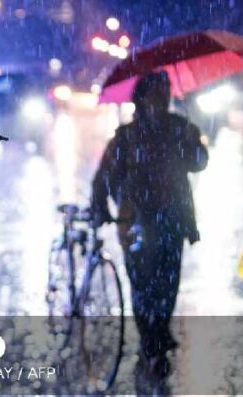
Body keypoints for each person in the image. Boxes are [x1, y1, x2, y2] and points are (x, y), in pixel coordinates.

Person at [91, 71, 208, 376]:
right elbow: (104, 177)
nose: (163, 98)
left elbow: (199, 163)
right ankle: (151, 341)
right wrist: (100, 207)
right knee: (143, 285)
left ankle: (159, 332)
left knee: (168, 284)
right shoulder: (126, 137)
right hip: (136, 224)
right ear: (142, 98)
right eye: (157, 92)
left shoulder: (179, 128)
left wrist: (191, 137)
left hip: (172, 221)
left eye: (166, 92)